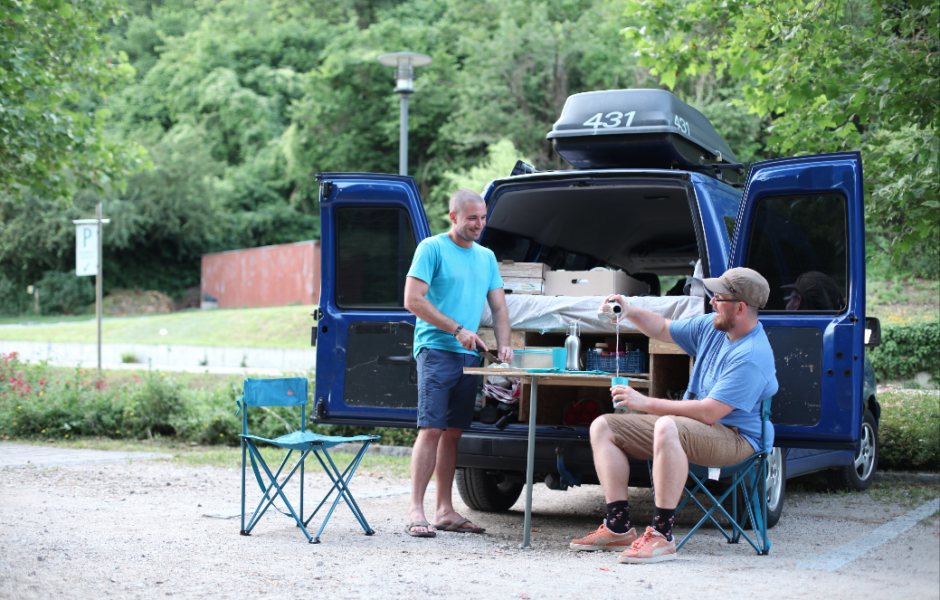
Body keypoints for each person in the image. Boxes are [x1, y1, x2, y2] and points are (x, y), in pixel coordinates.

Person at [570, 267, 778, 564]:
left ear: (740, 307)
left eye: (718, 298)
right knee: (603, 426)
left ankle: (661, 536)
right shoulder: (713, 327)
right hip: (693, 429)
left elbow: (709, 412)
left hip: (736, 439)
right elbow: (664, 329)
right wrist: (629, 310)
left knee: (668, 426)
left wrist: (644, 402)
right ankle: (618, 527)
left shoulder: (752, 355)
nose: (711, 303)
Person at [402, 189, 513, 538]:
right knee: (432, 429)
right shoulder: (431, 248)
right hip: (435, 349)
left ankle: (445, 511)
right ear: (453, 217)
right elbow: (412, 300)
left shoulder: (487, 257)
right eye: (472, 218)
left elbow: (499, 308)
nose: (479, 224)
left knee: (453, 434)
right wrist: (456, 329)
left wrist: (505, 344)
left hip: (469, 355)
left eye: (482, 217)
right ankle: (416, 510)